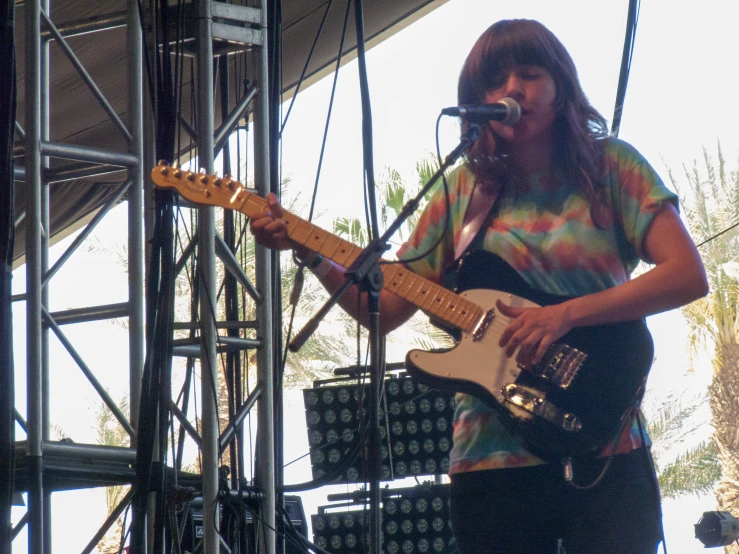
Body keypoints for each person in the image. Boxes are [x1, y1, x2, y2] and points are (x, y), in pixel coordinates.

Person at [250, 19, 708, 554]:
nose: (512, 88)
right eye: (495, 82)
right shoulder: (459, 191)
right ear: (476, 104)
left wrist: (565, 315)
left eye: (530, 74)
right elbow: (389, 307)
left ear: (560, 85)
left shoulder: (612, 167)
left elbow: (686, 275)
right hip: (490, 457)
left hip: (605, 442)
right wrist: (312, 253)